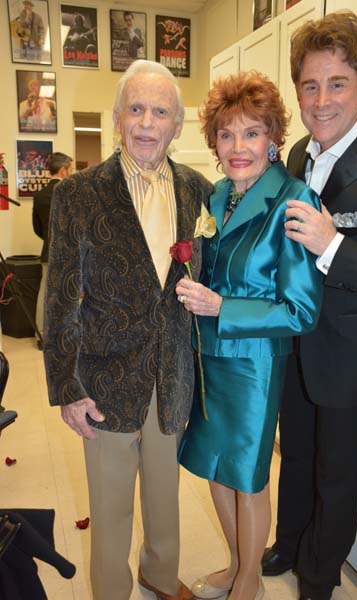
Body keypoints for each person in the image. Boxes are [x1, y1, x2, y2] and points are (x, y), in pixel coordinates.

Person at [43, 59, 213, 600]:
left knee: (166, 497)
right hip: (104, 380)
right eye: (135, 109)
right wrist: (67, 388)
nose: (146, 123)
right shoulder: (79, 194)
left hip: (173, 374)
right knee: (111, 506)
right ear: (118, 118)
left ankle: (160, 577)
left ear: (176, 124)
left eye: (159, 111)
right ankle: (111, 591)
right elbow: (61, 297)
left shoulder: (199, 191)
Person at [261, 11, 357, 600]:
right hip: (296, 343)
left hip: (354, 358)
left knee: (336, 475)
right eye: (310, 85)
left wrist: (333, 246)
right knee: (294, 455)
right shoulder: (296, 153)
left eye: (337, 83)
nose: (321, 100)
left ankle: (318, 577)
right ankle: (289, 543)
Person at [175, 71, 322, 600]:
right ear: (214, 141)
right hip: (207, 356)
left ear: (273, 139)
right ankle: (237, 564)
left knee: (248, 475)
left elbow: (300, 309)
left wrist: (221, 305)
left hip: (255, 363)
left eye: (252, 133)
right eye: (228, 134)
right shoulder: (217, 196)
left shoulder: (293, 199)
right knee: (215, 465)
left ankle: (250, 581)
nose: (239, 147)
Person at [32, 152, 72, 348]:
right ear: (63, 170)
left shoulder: (39, 195)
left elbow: (37, 227)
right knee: (67, 293)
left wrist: (49, 240)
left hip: (48, 251)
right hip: (68, 254)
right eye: (70, 169)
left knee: (44, 293)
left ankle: (41, 336)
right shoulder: (70, 192)